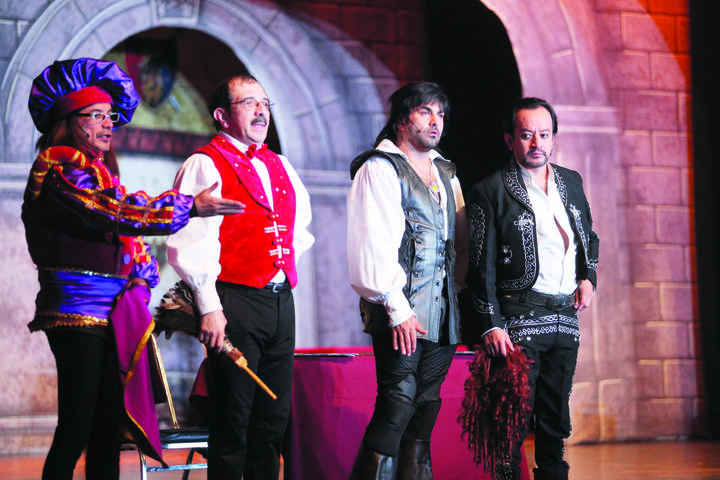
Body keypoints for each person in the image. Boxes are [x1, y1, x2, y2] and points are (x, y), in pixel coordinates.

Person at [22, 57, 244, 480]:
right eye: (95, 115)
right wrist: (189, 207)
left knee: (108, 427)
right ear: (67, 121)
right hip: (76, 311)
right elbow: (112, 211)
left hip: (113, 313)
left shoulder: (99, 172)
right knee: (78, 423)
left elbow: (125, 232)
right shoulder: (58, 168)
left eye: (109, 116)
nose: (108, 124)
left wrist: (142, 272)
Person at [166, 74, 314, 480]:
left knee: (272, 421)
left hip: (279, 300)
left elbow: (299, 228)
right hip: (233, 298)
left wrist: (279, 267)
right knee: (234, 421)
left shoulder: (280, 164)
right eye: (249, 102)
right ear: (221, 115)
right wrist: (209, 305)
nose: (261, 110)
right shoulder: (205, 163)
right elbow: (189, 241)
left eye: (264, 103)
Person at [464, 97, 599, 480]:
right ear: (510, 140)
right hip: (518, 319)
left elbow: (588, 237)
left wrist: (588, 277)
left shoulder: (570, 181)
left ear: (553, 138)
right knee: (512, 421)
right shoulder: (490, 190)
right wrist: (491, 324)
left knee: (556, 422)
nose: (536, 143)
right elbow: (480, 266)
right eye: (526, 135)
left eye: (544, 134)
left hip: (564, 318)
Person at [346, 82, 469, 480]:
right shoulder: (381, 168)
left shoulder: (445, 172)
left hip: (443, 312)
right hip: (400, 310)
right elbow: (373, 244)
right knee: (396, 404)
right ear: (402, 119)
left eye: (440, 114)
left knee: (424, 409)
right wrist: (397, 309)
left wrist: (456, 293)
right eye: (425, 112)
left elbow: (459, 241)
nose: (436, 122)